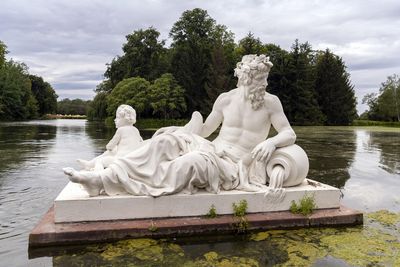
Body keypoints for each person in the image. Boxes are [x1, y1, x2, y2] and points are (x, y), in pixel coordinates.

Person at [63, 55, 296, 197]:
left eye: (265, 79)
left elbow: (289, 133)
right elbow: (204, 131)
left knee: (189, 162)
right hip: (212, 148)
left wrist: (271, 141)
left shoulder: (271, 103)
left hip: (235, 164)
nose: (264, 84)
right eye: (259, 79)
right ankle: (110, 175)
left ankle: (102, 182)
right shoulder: (225, 99)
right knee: (165, 141)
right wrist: (178, 129)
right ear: (245, 78)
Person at [77, 104, 143, 171]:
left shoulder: (121, 130)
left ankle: (98, 174)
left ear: (124, 119)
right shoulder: (135, 130)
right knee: (109, 152)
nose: (115, 120)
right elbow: (141, 143)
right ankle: (89, 164)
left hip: (121, 159)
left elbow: (111, 145)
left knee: (100, 161)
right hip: (132, 159)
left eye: (117, 118)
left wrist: (109, 147)